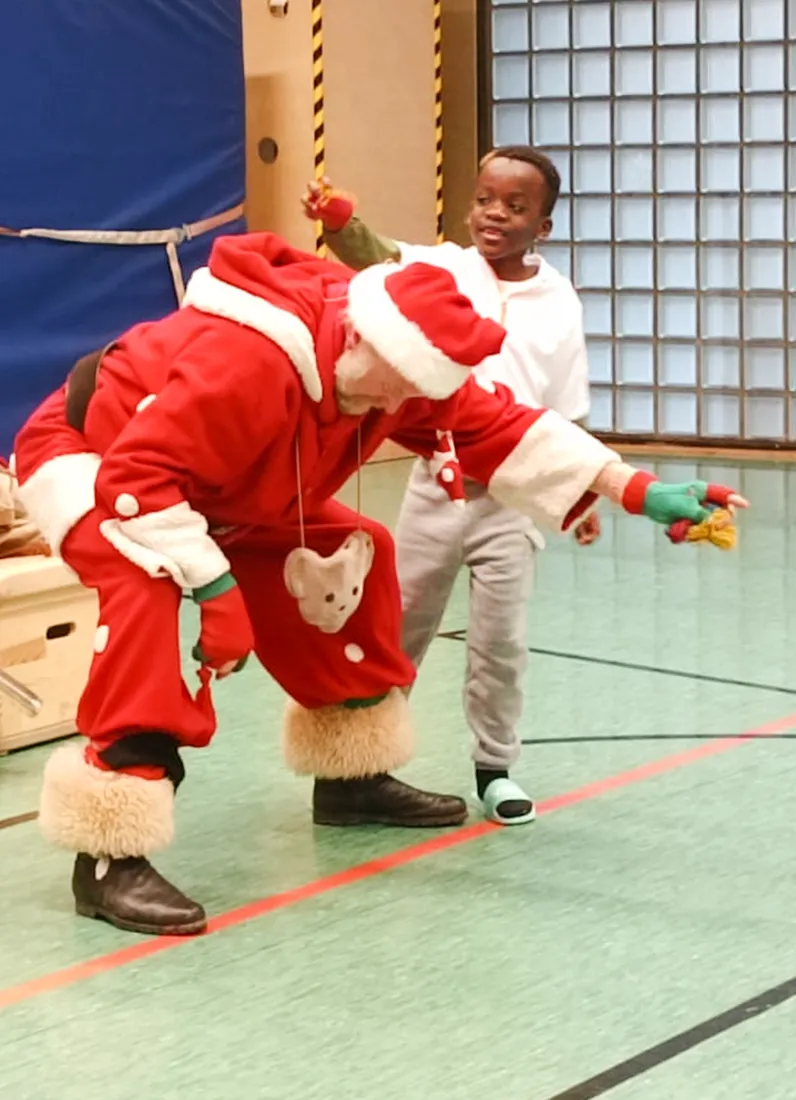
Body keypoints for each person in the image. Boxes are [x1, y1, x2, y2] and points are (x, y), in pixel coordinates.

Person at [13, 231, 746, 937]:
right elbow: (138, 478)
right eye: (395, 389)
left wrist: (638, 491)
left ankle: (351, 778)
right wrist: (214, 593)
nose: (402, 405)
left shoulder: (399, 362)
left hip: (232, 484)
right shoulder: (250, 361)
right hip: (99, 458)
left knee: (353, 552)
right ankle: (109, 857)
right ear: (363, 341)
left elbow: (498, 425)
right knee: (145, 585)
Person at [303, 146, 597, 825]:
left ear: (543, 226)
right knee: (395, 629)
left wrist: (579, 491)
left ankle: (494, 768)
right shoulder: (442, 267)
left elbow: (568, 412)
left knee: (502, 644)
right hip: (435, 488)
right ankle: (359, 768)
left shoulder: (558, 303)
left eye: (515, 207)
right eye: (485, 200)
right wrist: (337, 218)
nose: (494, 215)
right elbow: (372, 253)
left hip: (514, 499)